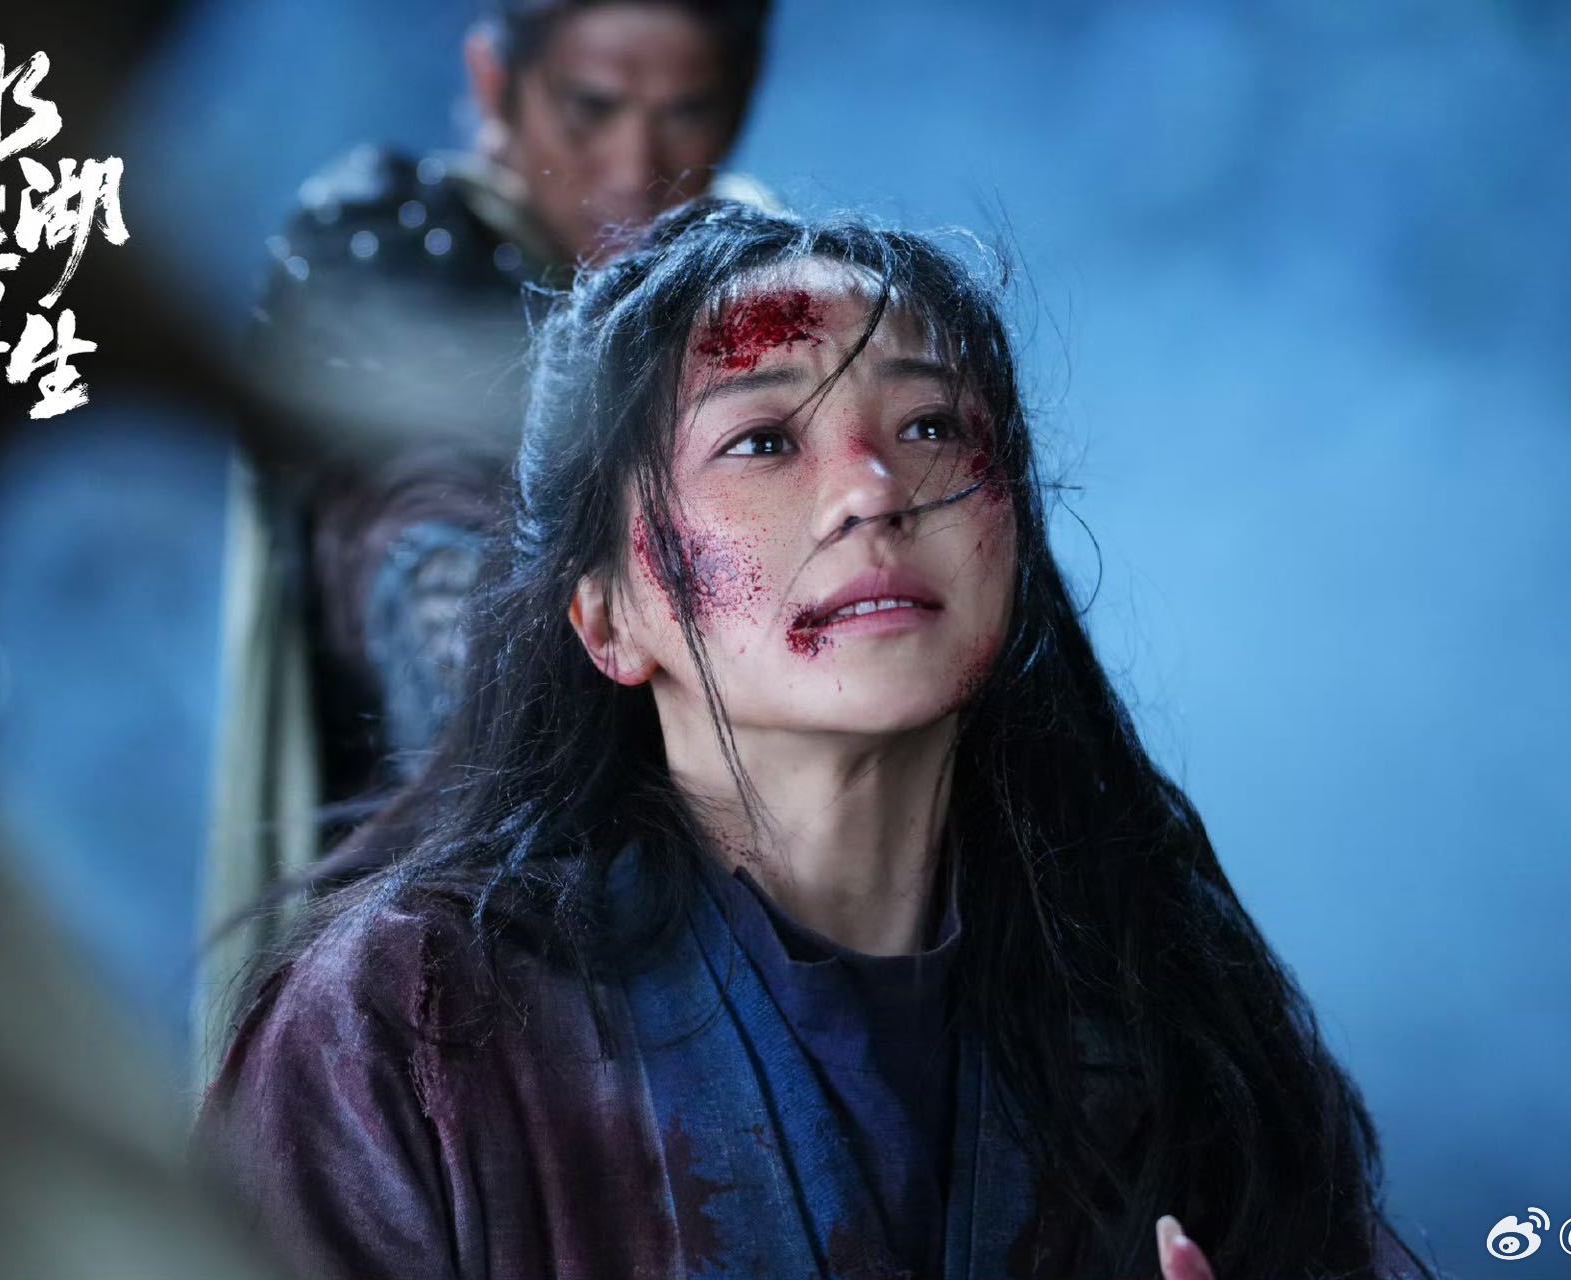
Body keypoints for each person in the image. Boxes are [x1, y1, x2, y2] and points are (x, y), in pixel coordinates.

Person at [197, 199, 1437, 1280]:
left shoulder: (1161, 1001)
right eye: (762, 440)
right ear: (607, 615)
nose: (872, 491)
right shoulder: (405, 1023)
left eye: (931, 425)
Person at [199, 0, 778, 1079]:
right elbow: (420, 549)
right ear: (493, 83)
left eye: (686, 113)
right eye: (590, 108)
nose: (634, 164)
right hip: (445, 910)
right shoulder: (386, 247)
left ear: (741, 102)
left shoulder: (771, 280)